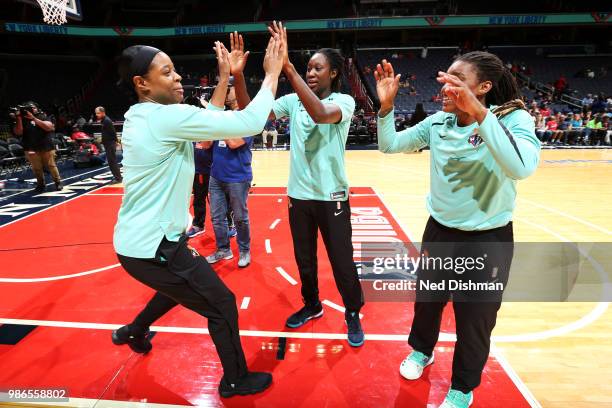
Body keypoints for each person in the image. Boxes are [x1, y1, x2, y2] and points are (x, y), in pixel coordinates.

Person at [111, 33, 284, 398]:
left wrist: (224, 79)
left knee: (177, 289)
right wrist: (272, 72)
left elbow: (206, 125)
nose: (177, 78)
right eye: (167, 72)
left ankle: (135, 331)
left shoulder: (144, 116)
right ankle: (234, 380)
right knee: (221, 305)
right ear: (142, 83)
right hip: (155, 247)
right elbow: (250, 122)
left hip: (139, 245)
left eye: (175, 70)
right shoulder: (164, 119)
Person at [374, 51, 540, 407]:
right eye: (444, 78)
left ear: (483, 87)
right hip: (440, 232)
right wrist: (386, 108)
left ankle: (462, 388)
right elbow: (389, 145)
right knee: (427, 303)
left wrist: (480, 115)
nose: (445, 86)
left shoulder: (513, 120)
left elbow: (522, 167)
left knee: (474, 322)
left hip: (487, 240)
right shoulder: (437, 124)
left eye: (456, 80)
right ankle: (421, 352)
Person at [234, 23, 364, 346]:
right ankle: (312, 305)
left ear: (334, 73)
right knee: (304, 261)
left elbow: (320, 114)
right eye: (308, 67)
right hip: (298, 198)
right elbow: (253, 116)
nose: (311, 72)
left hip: (332, 197)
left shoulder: (343, 102)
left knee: (342, 262)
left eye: (318, 68)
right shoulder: (292, 102)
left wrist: (288, 68)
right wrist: (237, 76)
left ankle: (352, 313)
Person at [204, 81, 255, 269]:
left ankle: (244, 250)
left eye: (229, 89)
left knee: (240, 217)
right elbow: (206, 144)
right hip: (216, 175)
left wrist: (218, 123)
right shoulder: (222, 117)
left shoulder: (248, 118)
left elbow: (234, 143)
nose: (226, 93)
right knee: (217, 217)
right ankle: (223, 249)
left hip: (238, 177)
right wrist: (208, 120)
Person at [11, 101, 63, 192]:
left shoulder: (42, 116)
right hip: (30, 147)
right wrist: (18, 117)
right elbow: (18, 132)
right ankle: (41, 184)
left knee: (51, 165)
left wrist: (33, 118)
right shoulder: (21, 119)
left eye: (34, 107)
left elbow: (49, 127)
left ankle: (58, 182)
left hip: (46, 146)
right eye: (29, 108)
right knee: (36, 168)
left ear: (37, 108)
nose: (32, 109)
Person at [95, 106, 122, 183]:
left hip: (110, 144)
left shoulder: (107, 121)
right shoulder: (103, 121)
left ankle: (118, 178)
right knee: (111, 162)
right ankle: (117, 177)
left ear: (103, 112)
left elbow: (113, 132)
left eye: (98, 113)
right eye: (96, 113)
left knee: (112, 162)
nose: (97, 115)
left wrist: (116, 142)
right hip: (108, 144)